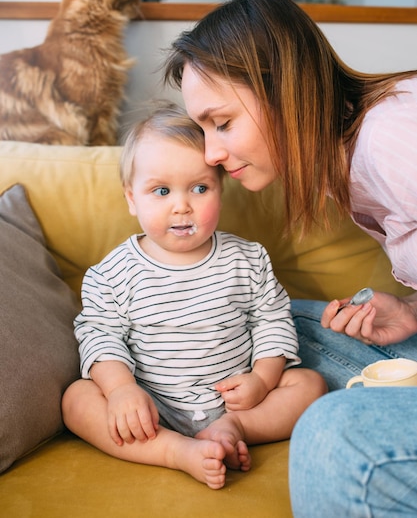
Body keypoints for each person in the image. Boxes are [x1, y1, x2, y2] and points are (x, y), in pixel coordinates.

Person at [162, 0, 417, 515]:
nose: (211, 153)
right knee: (280, 322)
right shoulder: (340, 161)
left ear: (285, 90)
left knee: (332, 431)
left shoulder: (392, 137)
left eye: (223, 122)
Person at [62, 102, 326, 490]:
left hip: (236, 402)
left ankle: (233, 430)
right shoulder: (111, 273)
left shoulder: (247, 259)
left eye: (200, 188)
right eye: (161, 190)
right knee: (76, 399)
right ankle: (174, 452)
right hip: (151, 409)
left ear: (222, 189)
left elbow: (273, 320)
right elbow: (100, 335)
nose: (182, 206)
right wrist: (121, 390)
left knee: (310, 386)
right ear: (132, 198)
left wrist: (262, 380)